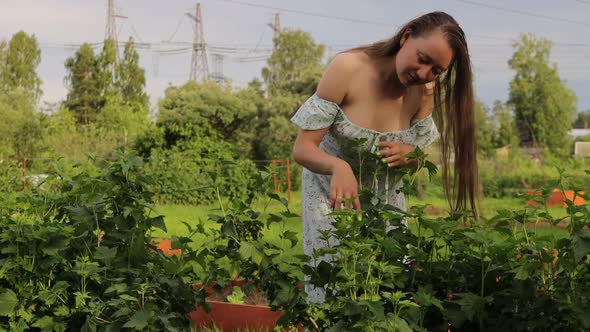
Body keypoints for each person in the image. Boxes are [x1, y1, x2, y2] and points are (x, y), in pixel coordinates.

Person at [290, 11, 478, 303]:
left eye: (436, 70)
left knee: (388, 294)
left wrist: (412, 155)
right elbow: (303, 148)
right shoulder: (349, 68)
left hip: (387, 206)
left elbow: (418, 159)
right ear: (406, 37)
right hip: (333, 201)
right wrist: (337, 166)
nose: (424, 72)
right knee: (336, 292)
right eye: (423, 58)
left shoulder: (424, 91)